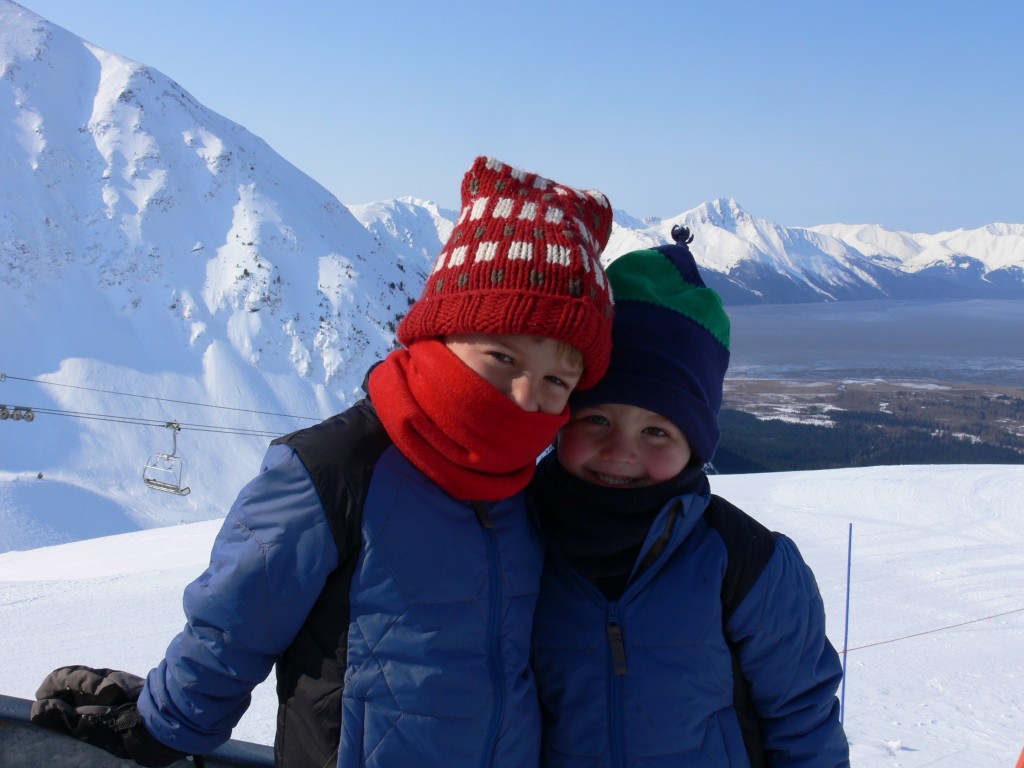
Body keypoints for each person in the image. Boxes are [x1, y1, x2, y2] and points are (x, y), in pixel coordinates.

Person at [31, 156, 616, 768]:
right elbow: (234, 623)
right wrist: (159, 727)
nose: (526, 397)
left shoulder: (528, 489)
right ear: (439, 333)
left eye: (557, 379)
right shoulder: (336, 470)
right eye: (502, 357)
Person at [529, 225, 850, 767]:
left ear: (694, 446)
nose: (620, 452)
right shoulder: (514, 539)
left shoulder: (748, 564)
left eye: (657, 431)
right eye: (598, 418)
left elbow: (803, 721)